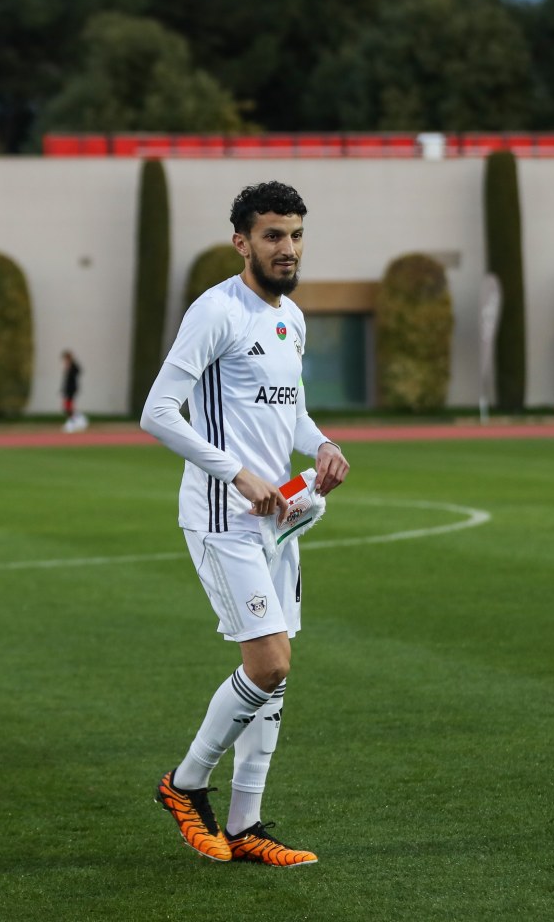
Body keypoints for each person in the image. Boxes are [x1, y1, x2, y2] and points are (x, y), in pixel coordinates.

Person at [140, 181, 349, 867]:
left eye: (295, 235)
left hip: (278, 518)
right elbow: (157, 413)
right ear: (242, 242)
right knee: (269, 662)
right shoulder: (216, 311)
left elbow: (292, 412)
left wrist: (321, 444)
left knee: (276, 675)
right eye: (273, 236)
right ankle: (184, 785)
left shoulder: (293, 318)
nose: (288, 248)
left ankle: (245, 825)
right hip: (222, 516)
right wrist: (236, 472)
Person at [60, 350, 87, 432]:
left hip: (72, 389)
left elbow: (78, 371)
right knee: (67, 406)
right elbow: (66, 380)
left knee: (69, 406)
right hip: (68, 389)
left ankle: (74, 422)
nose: (65, 360)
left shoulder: (73, 365)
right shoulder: (68, 366)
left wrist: (70, 367)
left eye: (66, 358)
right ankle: (75, 420)